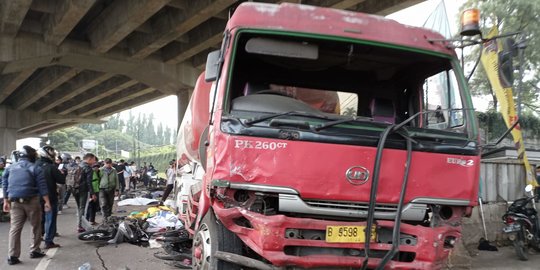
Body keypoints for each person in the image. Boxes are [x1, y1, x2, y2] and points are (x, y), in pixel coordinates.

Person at [2, 146, 51, 265]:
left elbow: (5, 184)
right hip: (32, 201)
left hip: (14, 202)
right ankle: (34, 250)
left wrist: (6, 201)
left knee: (15, 229)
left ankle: (12, 256)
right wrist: (47, 202)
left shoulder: (10, 168)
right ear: (31, 156)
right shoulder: (35, 168)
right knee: (36, 226)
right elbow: (42, 187)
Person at [36, 145, 66, 249]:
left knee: (39, 219)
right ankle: (48, 241)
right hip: (50, 197)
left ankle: (37, 242)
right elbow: (61, 180)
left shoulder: (34, 165)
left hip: (35, 197)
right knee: (50, 219)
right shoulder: (51, 167)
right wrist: (62, 173)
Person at [78, 153, 97, 232]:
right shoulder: (88, 168)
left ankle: (80, 224)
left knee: (79, 208)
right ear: (89, 159)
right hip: (83, 190)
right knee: (82, 208)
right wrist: (93, 194)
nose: (94, 162)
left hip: (74, 189)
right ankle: (81, 226)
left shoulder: (79, 165)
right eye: (93, 160)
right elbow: (89, 182)